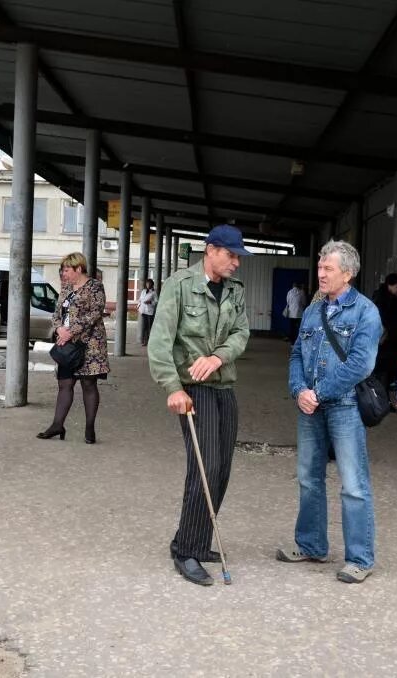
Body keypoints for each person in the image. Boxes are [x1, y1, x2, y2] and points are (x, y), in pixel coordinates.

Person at [148, 224, 250, 587]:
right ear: (211, 250)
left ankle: (198, 538)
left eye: (238, 256)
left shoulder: (235, 291)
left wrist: (219, 357)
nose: (236, 263)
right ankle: (185, 551)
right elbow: (159, 342)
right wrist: (172, 387)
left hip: (223, 385)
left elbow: (241, 333)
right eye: (231, 255)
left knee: (221, 468)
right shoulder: (179, 285)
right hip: (193, 389)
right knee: (204, 467)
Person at [279, 240, 381, 584]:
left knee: (353, 484)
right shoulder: (313, 309)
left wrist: (317, 393)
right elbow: (295, 354)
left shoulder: (366, 312)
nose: (320, 274)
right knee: (309, 479)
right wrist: (298, 391)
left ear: (347, 274)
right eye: (320, 268)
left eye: (328, 269)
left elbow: (360, 365)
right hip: (310, 406)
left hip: (345, 407)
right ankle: (311, 545)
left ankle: (360, 558)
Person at [36, 252, 110, 444]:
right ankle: (57, 425)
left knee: (88, 384)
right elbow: (57, 312)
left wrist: (72, 331)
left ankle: (89, 428)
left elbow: (95, 313)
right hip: (67, 343)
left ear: (78, 269)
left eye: (66, 270)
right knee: (65, 384)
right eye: (62, 270)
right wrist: (59, 329)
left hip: (89, 344)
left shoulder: (95, 286)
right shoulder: (66, 287)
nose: (63, 273)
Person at [371, 273, 397, 394]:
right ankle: (381, 397)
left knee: (382, 370)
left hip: (383, 340)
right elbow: (386, 319)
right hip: (386, 340)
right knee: (384, 370)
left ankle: (381, 397)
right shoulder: (385, 300)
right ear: (389, 285)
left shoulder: (380, 296)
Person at [137, 278, 157, 347]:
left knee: (150, 327)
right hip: (143, 311)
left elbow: (156, 301)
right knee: (144, 327)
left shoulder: (154, 292)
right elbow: (140, 299)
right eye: (147, 283)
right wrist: (138, 306)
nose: (148, 285)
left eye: (149, 283)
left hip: (150, 312)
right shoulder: (143, 291)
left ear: (152, 285)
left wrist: (150, 302)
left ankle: (150, 341)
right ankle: (145, 341)